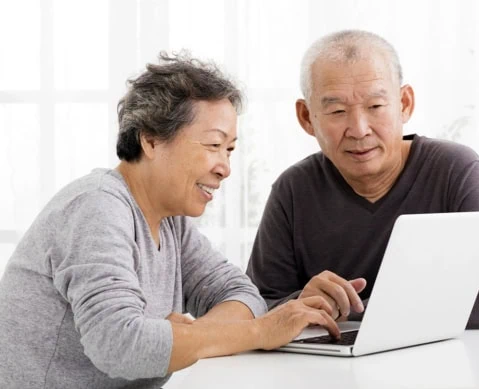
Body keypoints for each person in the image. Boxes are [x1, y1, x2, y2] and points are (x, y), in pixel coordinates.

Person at [0, 52, 339, 389]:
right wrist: (259, 332)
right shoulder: (96, 207)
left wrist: (187, 335)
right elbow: (119, 345)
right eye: (213, 144)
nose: (225, 167)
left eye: (230, 149)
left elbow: (242, 294)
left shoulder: (169, 221)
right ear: (150, 140)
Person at [246, 30, 479, 328]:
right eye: (337, 111)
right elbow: (256, 308)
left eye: (375, 107)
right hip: (328, 370)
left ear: (404, 103)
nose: (359, 129)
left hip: (435, 365)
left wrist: (343, 311)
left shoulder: (454, 169)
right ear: (306, 118)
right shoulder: (294, 190)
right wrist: (298, 303)